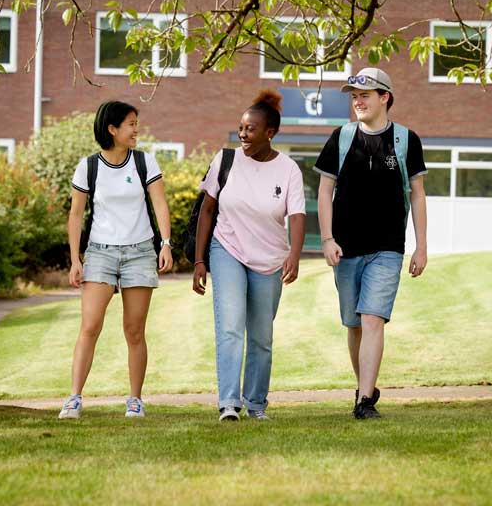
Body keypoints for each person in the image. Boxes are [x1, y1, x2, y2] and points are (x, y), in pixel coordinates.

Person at [313, 67, 428, 419]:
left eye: (364, 95)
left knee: (372, 318)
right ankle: (365, 384)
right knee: (354, 324)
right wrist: (327, 239)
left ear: (384, 97)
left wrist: (421, 246)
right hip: (346, 247)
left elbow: (418, 194)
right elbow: (324, 191)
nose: (358, 102)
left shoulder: (406, 140)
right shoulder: (341, 137)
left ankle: (364, 401)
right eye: (354, 96)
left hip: (387, 247)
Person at [192, 89, 306, 421]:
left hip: (269, 258)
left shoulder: (288, 169)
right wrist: (199, 260)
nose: (243, 134)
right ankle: (229, 403)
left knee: (261, 336)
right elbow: (207, 210)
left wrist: (295, 254)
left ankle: (256, 404)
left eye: (250, 129)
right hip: (227, 248)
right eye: (241, 128)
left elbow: (297, 215)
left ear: (270, 132)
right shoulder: (225, 160)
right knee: (230, 327)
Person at [59, 100, 173, 419]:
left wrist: (165, 244)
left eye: (137, 123)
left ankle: (135, 400)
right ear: (112, 129)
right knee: (90, 326)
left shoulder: (144, 162)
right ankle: (74, 398)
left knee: (134, 330)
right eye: (131, 124)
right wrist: (75, 259)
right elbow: (76, 215)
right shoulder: (88, 167)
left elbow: (160, 204)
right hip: (100, 253)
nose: (137, 130)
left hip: (140, 252)